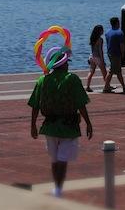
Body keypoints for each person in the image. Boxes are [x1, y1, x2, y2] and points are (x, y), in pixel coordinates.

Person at [28, 47, 93, 198]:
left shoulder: (42, 80)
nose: (68, 65)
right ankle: (58, 189)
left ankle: (57, 188)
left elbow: (35, 105)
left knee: (55, 158)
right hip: (68, 126)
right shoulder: (72, 79)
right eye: (67, 62)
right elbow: (80, 104)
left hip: (49, 126)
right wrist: (88, 123)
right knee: (62, 160)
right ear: (62, 64)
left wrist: (33, 125)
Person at [103, 17, 125, 93]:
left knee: (118, 71)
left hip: (110, 53)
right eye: (119, 22)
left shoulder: (107, 32)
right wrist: (123, 53)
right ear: (117, 23)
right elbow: (122, 45)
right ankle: (106, 87)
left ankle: (124, 86)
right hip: (116, 54)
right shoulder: (120, 33)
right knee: (112, 71)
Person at [85, 24, 110, 93]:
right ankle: (107, 86)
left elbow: (93, 49)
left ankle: (87, 86)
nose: (103, 31)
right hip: (98, 57)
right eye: (102, 30)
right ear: (100, 31)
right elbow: (100, 50)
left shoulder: (92, 38)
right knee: (104, 72)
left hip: (92, 56)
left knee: (91, 72)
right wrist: (103, 60)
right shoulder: (100, 39)